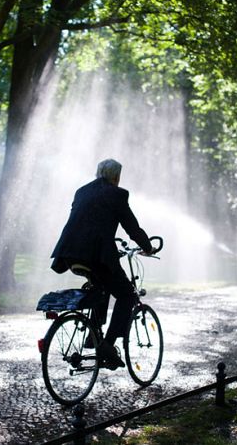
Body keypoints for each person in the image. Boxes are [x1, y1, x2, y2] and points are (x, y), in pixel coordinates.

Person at [50, 158, 155, 370]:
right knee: (127, 295)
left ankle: (92, 336)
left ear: (98, 173)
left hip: (69, 254)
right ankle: (107, 345)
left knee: (102, 286)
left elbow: (86, 221)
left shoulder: (81, 191)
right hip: (96, 256)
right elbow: (131, 228)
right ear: (116, 177)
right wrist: (148, 247)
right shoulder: (118, 194)